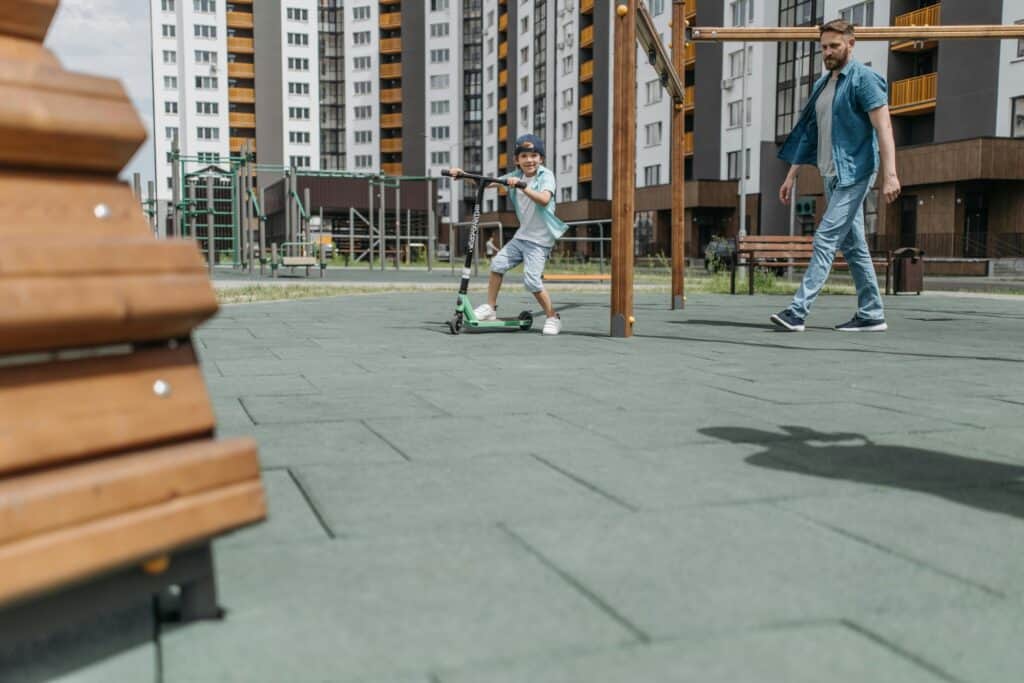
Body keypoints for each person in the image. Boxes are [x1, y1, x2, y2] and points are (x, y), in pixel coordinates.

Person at [771, 19, 901, 333]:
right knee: (854, 246)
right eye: (824, 47)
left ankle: (798, 311)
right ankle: (872, 314)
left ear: (850, 44)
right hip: (830, 175)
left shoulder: (864, 79)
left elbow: (883, 128)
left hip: (856, 173)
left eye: (834, 46)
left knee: (826, 237)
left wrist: (891, 175)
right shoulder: (821, 85)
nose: (828, 52)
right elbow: (809, 136)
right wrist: (791, 175)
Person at [448, 134, 569, 336]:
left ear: (541, 159)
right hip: (522, 236)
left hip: (540, 240)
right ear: (517, 160)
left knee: (532, 281)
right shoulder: (515, 175)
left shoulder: (545, 176)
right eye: (524, 156)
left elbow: (544, 199)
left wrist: (523, 186)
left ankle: (552, 317)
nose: (529, 160)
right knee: (497, 265)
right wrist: (463, 174)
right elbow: (487, 183)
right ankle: (490, 309)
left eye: (534, 155)